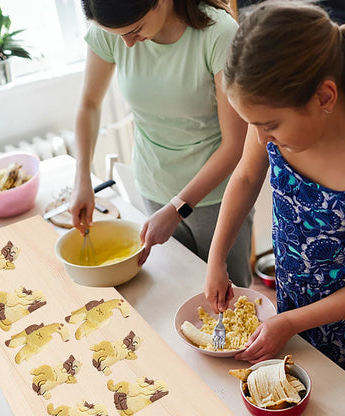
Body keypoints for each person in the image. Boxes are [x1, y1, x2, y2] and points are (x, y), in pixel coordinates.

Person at [204, 0, 345, 383]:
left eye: (269, 126)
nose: (261, 138)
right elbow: (245, 177)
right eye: (253, 125)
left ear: (324, 97)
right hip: (288, 309)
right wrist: (216, 259)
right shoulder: (270, 122)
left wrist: (291, 321)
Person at [69, 0, 254, 287]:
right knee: (173, 291)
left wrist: (178, 207)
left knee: (228, 300)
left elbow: (235, 145)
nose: (129, 45)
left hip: (218, 198)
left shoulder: (219, 34)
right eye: (120, 36)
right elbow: (89, 104)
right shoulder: (115, 29)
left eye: (135, 30)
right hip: (153, 190)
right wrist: (82, 180)